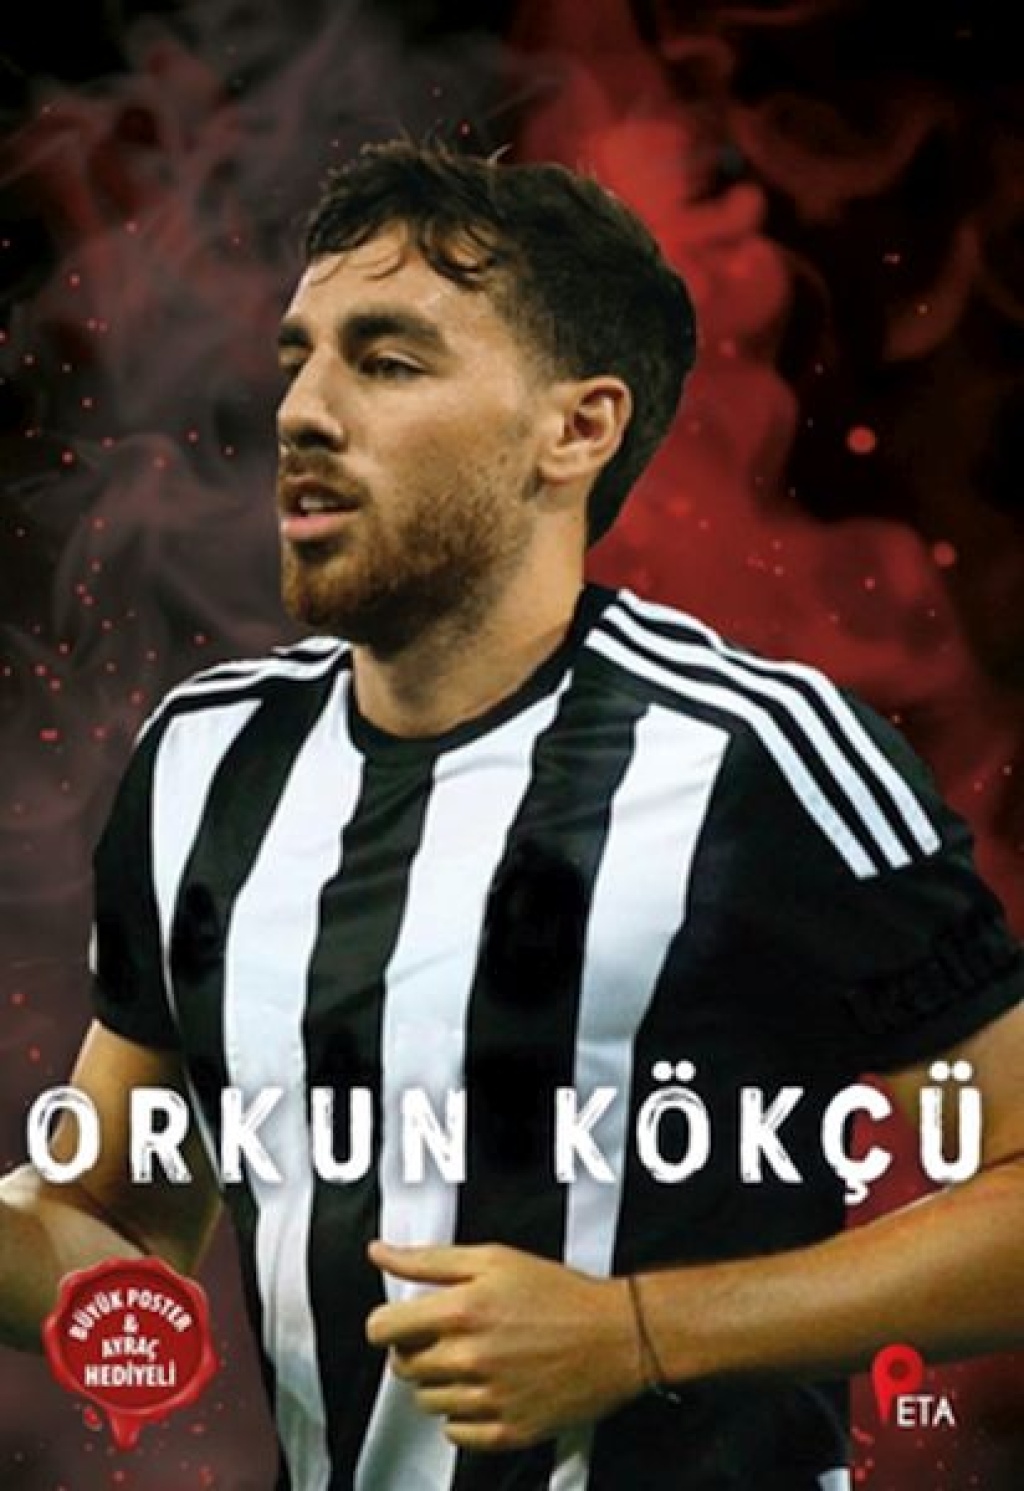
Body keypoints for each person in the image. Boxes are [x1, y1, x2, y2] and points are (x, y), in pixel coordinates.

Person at [2, 140, 1024, 1491]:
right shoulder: (205, 758)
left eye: (387, 361)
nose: (303, 410)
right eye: (298, 359)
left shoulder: (758, 757)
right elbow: (118, 1223)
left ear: (577, 430)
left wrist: (639, 1332)